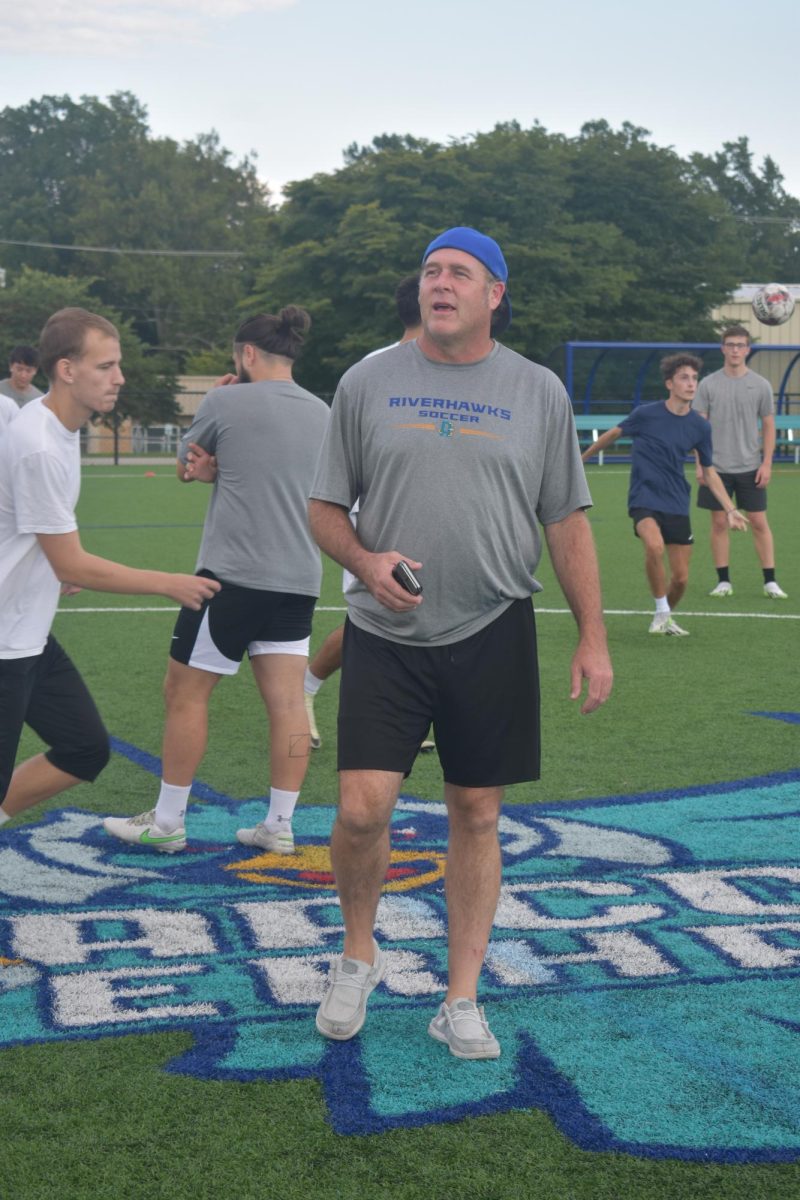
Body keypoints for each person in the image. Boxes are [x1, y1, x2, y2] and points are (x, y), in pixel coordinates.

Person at [308, 226, 613, 1059]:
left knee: (476, 812)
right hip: (386, 628)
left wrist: (593, 635)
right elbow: (325, 508)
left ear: (494, 294)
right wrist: (367, 564)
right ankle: (358, 954)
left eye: (460, 274)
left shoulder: (537, 390)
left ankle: (461, 997)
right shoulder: (368, 381)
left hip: (492, 626)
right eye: (431, 271)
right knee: (361, 809)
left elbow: (566, 521)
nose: (440, 284)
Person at [104, 307, 330, 855]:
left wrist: (208, 443)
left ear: (247, 354)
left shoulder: (224, 399)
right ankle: (278, 825)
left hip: (229, 578)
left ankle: (166, 823)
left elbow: (186, 464)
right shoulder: (326, 411)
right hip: (299, 580)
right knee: (289, 705)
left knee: (184, 693)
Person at [0, 308, 220, 830]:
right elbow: (71, 559)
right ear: (67, 369)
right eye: (106, 366)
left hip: (28, 633)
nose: (119, 377)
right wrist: (170, 584)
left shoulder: (61, 430)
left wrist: (58, 566)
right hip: (4, 645)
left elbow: (47, 536)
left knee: (84, 748)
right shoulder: (37, 444)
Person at [303, 272, 425, 751]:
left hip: (421, 512)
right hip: (373, 516)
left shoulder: (452, 366)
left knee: (419, 608)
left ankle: (412, 712)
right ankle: (306, 687)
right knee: (374, 613)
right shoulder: (375, 369)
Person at [581, 354, 749, 636]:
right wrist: (581, 458)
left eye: (695, 378)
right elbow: (613, 434)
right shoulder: (646, 414)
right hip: (644, 497)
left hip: (676, 502)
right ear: (669, 383)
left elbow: (709, 472)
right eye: (684, 377)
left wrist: (730, 509)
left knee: (681, 579)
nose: (691, 383)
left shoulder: (700, 427)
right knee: (654, 546)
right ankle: (661, 612)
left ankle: (663, 616)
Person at [694, 326, 787, 599]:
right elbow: (699, 426)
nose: (735, 349)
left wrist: (767, 462)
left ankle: (770, 581)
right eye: (730, 344)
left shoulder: (761, 385)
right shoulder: (708, 384)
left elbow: (769, 426)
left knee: (758, 521)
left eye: (740, 345)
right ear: (723, 348)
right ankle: (723, 581)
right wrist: (700, 463)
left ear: (747, 349)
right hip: (716, 469)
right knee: (719, 523)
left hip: (750, 466)